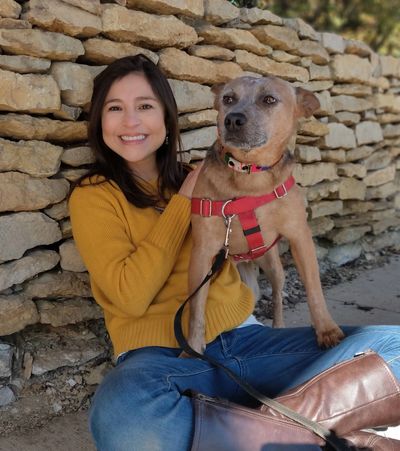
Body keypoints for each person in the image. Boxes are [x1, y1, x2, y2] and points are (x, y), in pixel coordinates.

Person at [69, 54, 400, 451]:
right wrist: (183, 205)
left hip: (247, 342)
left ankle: (255, 428)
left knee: (393, 348)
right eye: (114, 108)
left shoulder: (217, 175)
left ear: (167, 117)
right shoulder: (95, 196)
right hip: (164, 359)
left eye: (145, 107)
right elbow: (130, 296)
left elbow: (272, 231)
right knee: (122, 418)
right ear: (99, 121)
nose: (131, 121)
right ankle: (303, 428)